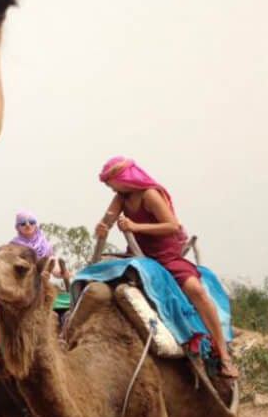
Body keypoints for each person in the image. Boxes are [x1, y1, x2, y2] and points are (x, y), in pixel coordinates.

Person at [95, 156, 238, 378]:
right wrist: (101, 228)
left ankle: (223, 354)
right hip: (139, 257)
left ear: (123, 179)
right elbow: (107, 220)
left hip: (166, 257)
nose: (110, 188)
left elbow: (172, 226)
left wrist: (136, 226)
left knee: (196, 291)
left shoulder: (150, 194)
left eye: (110, 183)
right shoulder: (121, 198)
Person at [0, 211, 65, 365]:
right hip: (20, 290)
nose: (28, 225)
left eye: (31, 222)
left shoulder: (44, 246)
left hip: (43, 290)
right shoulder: (11, 249)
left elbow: (56, 270)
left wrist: (62, 272)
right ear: (17, 227)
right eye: (23, 223)